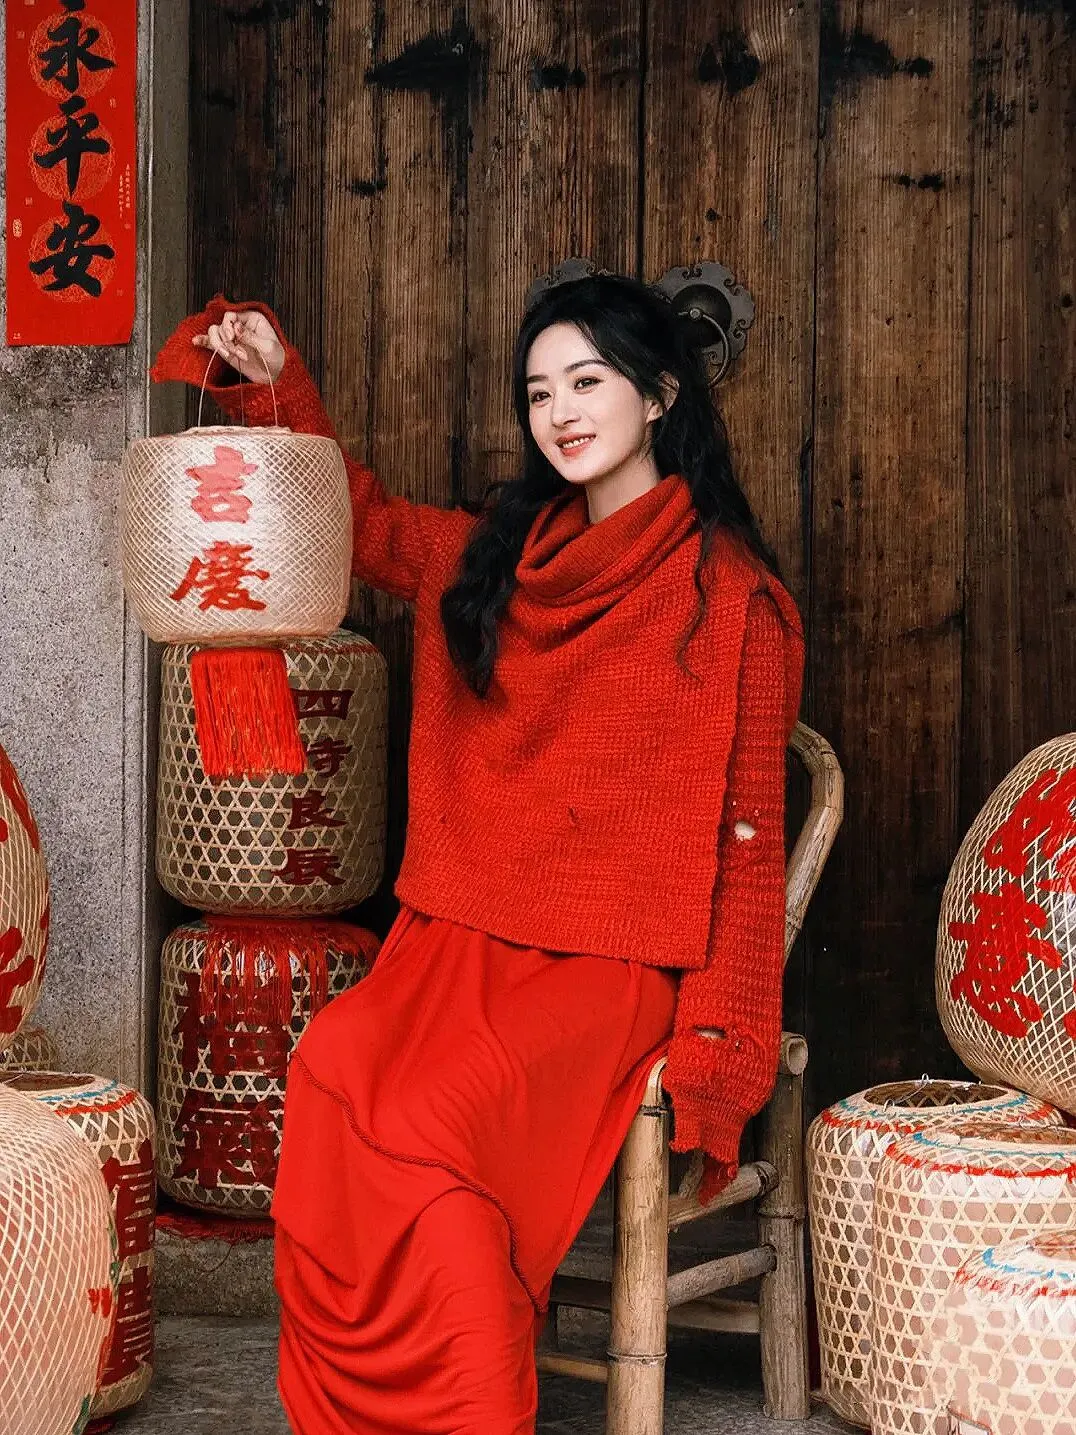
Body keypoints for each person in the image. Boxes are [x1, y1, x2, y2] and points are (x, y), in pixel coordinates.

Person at [152, 271, 804, 1435]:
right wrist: (271, 389)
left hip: (611, 964)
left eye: (587, 381)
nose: (560, 411)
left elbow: (747, 848)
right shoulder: (496, 557)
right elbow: (356, 522)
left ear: (659, 394)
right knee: (337, 1059)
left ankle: (466, 1407)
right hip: (459, 939)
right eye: (538, 391)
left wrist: (720, 1035)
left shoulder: (731, 599)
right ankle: (356, 1411)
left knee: (429, 1119)